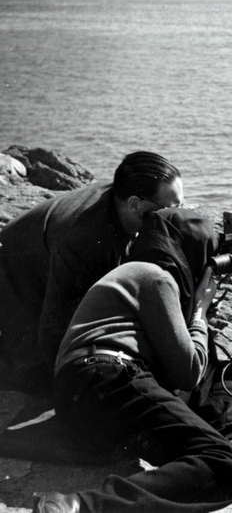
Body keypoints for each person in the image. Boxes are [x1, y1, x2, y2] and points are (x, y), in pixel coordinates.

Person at [33, 209, 232, 513]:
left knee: (205, 406)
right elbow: (189, 372)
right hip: (107, 377)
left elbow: (182, 373)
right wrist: (200, 312)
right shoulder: (155, 278)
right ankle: (79, 505)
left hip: (84, 400)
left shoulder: (134, 271)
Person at [0, 151, 183, 393]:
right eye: (169, 211)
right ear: (135, 205)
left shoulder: (123, 199)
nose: (177, 218)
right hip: (14, 280)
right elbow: (54, 330)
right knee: (37, 377)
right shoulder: (84, 238)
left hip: (45, 258)